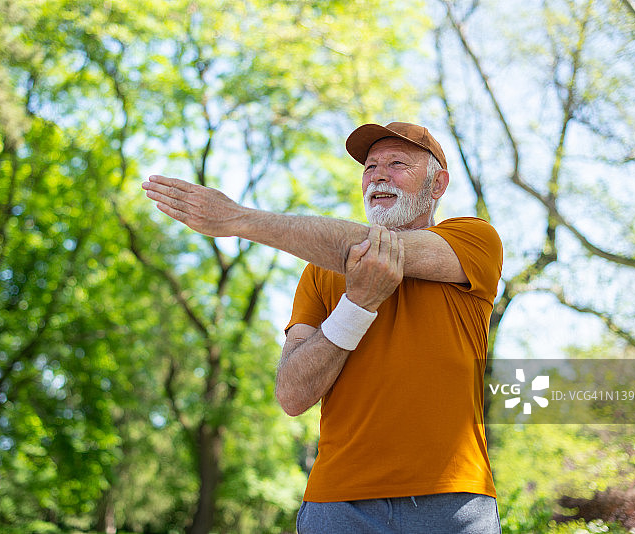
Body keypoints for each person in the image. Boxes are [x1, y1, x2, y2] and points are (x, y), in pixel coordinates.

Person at [142, 121, 503, 533]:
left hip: (453, 501)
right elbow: (292, 395)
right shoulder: (319, 273)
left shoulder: (474, 240)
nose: (378, 174)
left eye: (397, 163)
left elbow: (379, 251)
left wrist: (238, 219)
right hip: (339, 505)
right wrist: (357, 305)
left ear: (437, 185)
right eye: (370, 166)